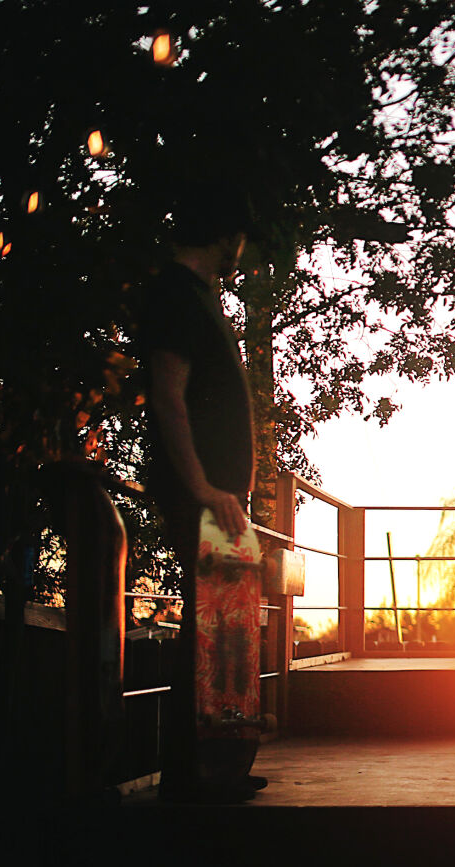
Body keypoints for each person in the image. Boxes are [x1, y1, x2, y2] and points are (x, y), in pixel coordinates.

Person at [140, 183, 260, 803]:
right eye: (238, 238)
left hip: (218, 497)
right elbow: (168, 395)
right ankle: (192, 777)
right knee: (204, 630)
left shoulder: (197, 299)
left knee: (218, 627)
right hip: (202, 494)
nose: (240, 250)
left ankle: (217, 766)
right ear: (223, 235)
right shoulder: (175, 297)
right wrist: (202, 486)